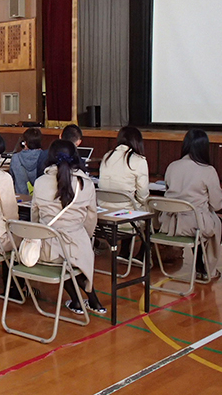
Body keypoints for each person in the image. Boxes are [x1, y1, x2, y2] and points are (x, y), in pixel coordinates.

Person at [32, 139, 105, 314]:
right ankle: (93, 302)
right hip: (76, 247)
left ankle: (77, 301)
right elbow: (91, 219)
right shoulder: (86, 184)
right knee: (72, 260)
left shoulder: (40, 182)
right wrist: (84, 238)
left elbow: (35, 216)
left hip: (45, 251)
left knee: (63, 259)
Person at [159, 129, 222, 281]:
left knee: (201, 221)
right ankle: (206, 268)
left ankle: (200, 265)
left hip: (169, 224)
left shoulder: (172, 166)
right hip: (194, 225)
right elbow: (217, 205)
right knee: (215, 223)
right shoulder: (208, 170)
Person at [98, 126, 149, 261]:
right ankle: (144, 253)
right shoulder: (139, 160)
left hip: (104, 215)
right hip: (125, 218)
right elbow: (143, 195)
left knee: (131, 205)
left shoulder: (107, 156)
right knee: (150, 210)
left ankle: (125, 251)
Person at [9, 128, 42, 195]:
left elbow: (11, 177)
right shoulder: (44, 157)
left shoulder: (16, 158)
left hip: (21, 197)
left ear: (24, 143)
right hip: (39, 197)